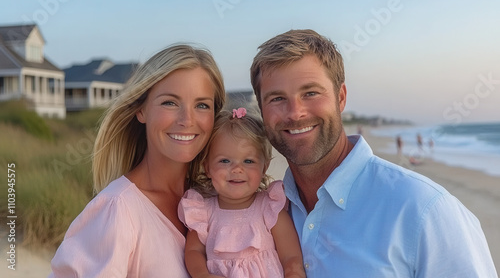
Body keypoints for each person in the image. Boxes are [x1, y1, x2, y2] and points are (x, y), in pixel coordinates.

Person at [250, 29, 497, 277]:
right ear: (261, 110)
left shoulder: (424, 209)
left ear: (341, 97)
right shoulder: (264, 210)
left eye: (310, 93)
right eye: (277, 98)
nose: (295, 112)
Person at [49, 44, 226, 277]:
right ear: (141, 110)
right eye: (170, 102)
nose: (187, 119)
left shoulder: (216, 200)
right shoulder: (119, 210)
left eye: (202, 105)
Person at [178, 108, 306, 278]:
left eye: (248, 161)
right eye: (225, 161)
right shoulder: (203, 213)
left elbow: (291, 256)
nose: (237, 169)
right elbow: (194, 251)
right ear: (207, 168)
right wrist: (202, 274)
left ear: (264, 167)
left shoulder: (269, 208)